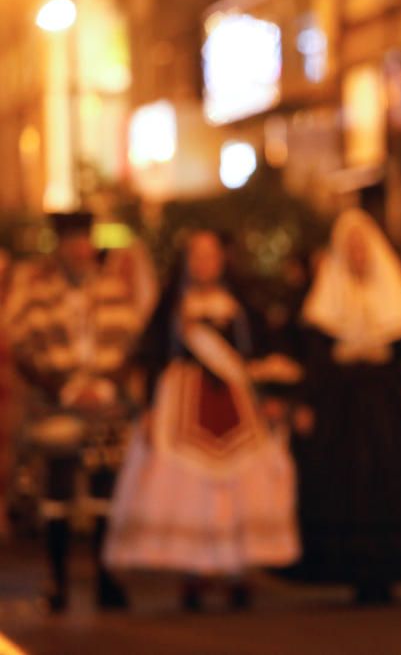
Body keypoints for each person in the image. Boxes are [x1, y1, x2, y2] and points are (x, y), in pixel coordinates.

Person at [103, 230, 299, 610]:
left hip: (236, 403)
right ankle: (194, 572)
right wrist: (149, 408)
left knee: (240, 484)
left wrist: (271, 395)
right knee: (188, 487)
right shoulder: (173, 306)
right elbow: (152, 354)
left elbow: (262, 351)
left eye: (210, 255)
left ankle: (237, 570)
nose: (204, 263)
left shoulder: (240, 306)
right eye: (197, 256)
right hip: (183, 402)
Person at [6, 211, 141, 612]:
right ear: (60, 246)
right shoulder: (39, 290)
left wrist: (104, 385)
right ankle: (57, 581)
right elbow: (23, 348)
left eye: (84, 240)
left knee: (104, 491)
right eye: (71, 241)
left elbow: (130, 342)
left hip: (104, 402)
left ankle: (105, 578)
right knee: (57, 492)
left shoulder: (111, 286)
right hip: (56, 402)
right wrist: (64, 388)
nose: (79, 248)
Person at [297, 209, 401, 602]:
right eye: (349, 248)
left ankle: (386, 571)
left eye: (361, 247)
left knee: (388, 479)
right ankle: (350, 570)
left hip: (383, 401)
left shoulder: (391, 294)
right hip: (343, 404)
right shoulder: (327, 295)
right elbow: (316, 357)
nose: (356, 254)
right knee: (346, 479)